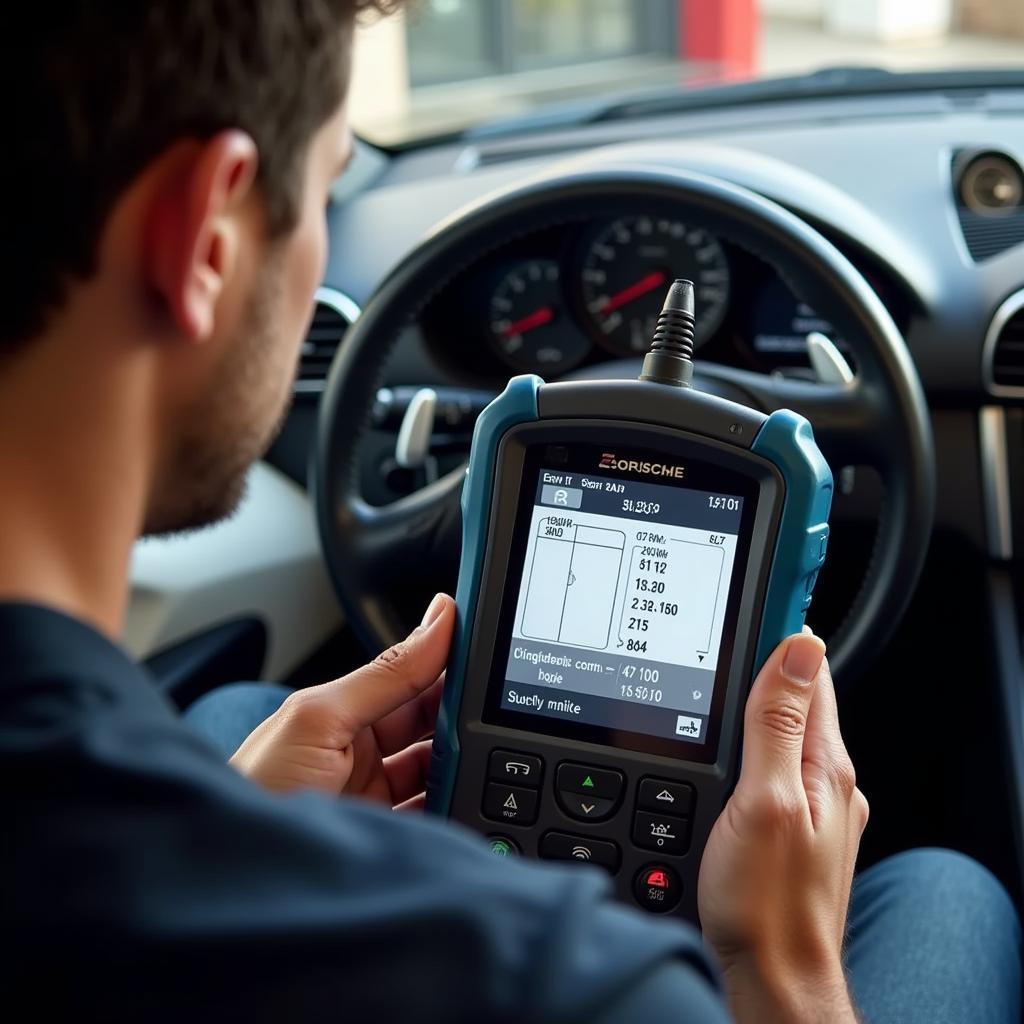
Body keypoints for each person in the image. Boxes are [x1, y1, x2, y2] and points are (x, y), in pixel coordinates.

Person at [1, 3, 1018, 1022]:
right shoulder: (572, 978)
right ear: (205, 234)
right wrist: (780, 968)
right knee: (946, 889)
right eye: (326, 181)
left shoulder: (174, 852)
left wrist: (227, 847)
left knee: (234, 715)